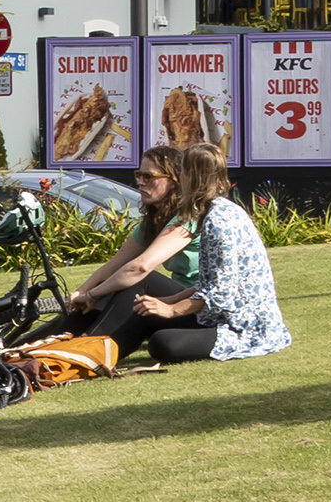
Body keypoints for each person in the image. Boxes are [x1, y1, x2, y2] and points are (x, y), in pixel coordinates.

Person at [52, 143, 290, 364]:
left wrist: (172, 309)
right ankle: (73, 353)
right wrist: (167, 301)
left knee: (162, 341)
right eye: (139, 176)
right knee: (141, 307)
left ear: (188, 176)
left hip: (242, 324)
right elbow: (209, 282)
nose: (141, 182)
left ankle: (76, 356)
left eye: (149, 177)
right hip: (214, 311)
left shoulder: (218, 220)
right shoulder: (216, 211)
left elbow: (221, 293)